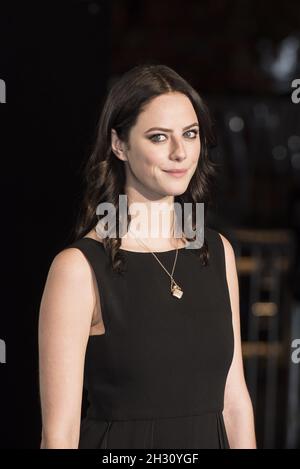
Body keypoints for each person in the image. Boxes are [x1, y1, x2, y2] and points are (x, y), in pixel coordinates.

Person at [38, 64, 257, 449]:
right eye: (159, 137)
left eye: (190, 134)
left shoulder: (216, 251)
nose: (180, 152)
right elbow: (59, 435)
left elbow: (234, 399)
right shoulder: (78, 268)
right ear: (119, 145)